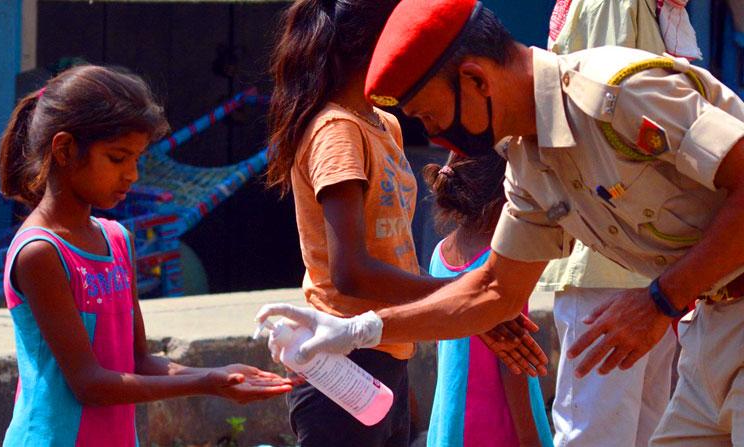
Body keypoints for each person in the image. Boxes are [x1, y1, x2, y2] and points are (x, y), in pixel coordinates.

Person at [257, 0, 744, 444]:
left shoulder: (617, 91)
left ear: (475, 80)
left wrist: (660, 300)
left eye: (431, 116)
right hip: (712, 330)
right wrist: (356, 331)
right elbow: (493, 291)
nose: (436, 139)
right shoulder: (531, 163)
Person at [265, 1, 544, 445]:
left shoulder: (384, 125)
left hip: (388, 353)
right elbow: (350, 272)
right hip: (341, 361)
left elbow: (390, 255)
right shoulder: (336, 130)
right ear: (374, 43)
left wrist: (468, 308)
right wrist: (467, 301)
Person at [0, 65, 293, 447]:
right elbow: (89, 384)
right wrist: (207, 383)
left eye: (137, 159)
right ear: (65, 149)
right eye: (117, 158)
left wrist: (221, 374)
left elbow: (139, 361)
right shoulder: (41, 252)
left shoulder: (117, 240)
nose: (132, 174)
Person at [543, 0, 679, 445]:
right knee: (598, 433)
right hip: (612, 259)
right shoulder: (616, 4)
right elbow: (610, 122)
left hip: (649, 267)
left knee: (649, 432)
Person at [423, 153, 553, 447]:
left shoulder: (439, 254)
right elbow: (513, 363)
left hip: (451, 419)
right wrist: (529, 438)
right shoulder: (502, 265)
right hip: (501, 422)